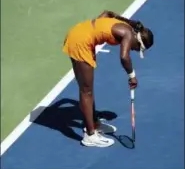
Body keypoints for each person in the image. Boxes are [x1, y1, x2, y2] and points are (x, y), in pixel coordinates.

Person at [62, 10, 154, 147]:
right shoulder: (128, 34)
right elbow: (124, 57)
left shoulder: (124, 24)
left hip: (80, 34)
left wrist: (95, 31)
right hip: (80, 42)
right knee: (86, 91)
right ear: (138, 39)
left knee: (87, 89)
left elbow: (106, 13)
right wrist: (132, 76)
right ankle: (90, 135)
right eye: (138, 48)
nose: (134, 50)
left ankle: (93, 123)